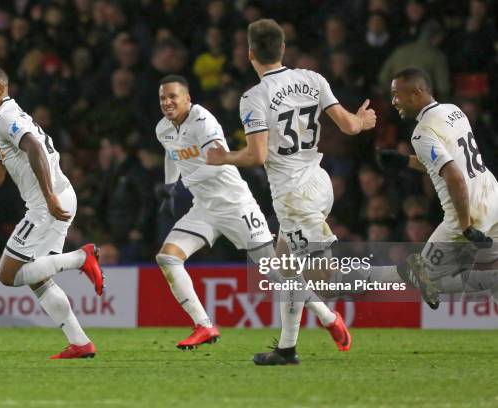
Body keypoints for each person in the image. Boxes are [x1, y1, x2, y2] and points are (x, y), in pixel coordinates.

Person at [207, 19, 375, 365]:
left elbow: (256, 154)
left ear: (250, 53)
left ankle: (398, 278)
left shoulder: (254, 97)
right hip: (319, 180)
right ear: (283, 49)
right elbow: (348, 126)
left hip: (293, 196)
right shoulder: (314, 79)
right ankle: (287, 348)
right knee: (283, 266)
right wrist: (361, 120)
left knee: (324, 278)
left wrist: (223, 156)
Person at [155, 74, 347, 352]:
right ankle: (204, 324)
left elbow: (217, 160)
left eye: (173, 96)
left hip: (235, 205)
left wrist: (188, 180)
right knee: (167, 258)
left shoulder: (202, 121)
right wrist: (170, 186)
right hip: (204, 208)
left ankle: (328, 317)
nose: (167, 102)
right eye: (163, 97)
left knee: (277, 275)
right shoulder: (163, 128)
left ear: (187, 98)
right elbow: (170, 153)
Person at [0, 66, 104, 359]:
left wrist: (48, 196)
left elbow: (35, 147)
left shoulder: (7, 119)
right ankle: (80, 342)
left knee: (7, 274)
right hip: (58, 197)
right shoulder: (0, 123)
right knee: (38, 278)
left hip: (47, 204)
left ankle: (81, 257)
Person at [377, 67, 498, 307]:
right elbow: (453, 164)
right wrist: (405, 161)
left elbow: (454, 177)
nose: (393, 101)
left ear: (417, 92)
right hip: (493, 199)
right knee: (492, 275)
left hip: (466, 217)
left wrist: (466, 227)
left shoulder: (422, 133)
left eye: (397, 94)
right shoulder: (454, 111)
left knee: (422, 276)